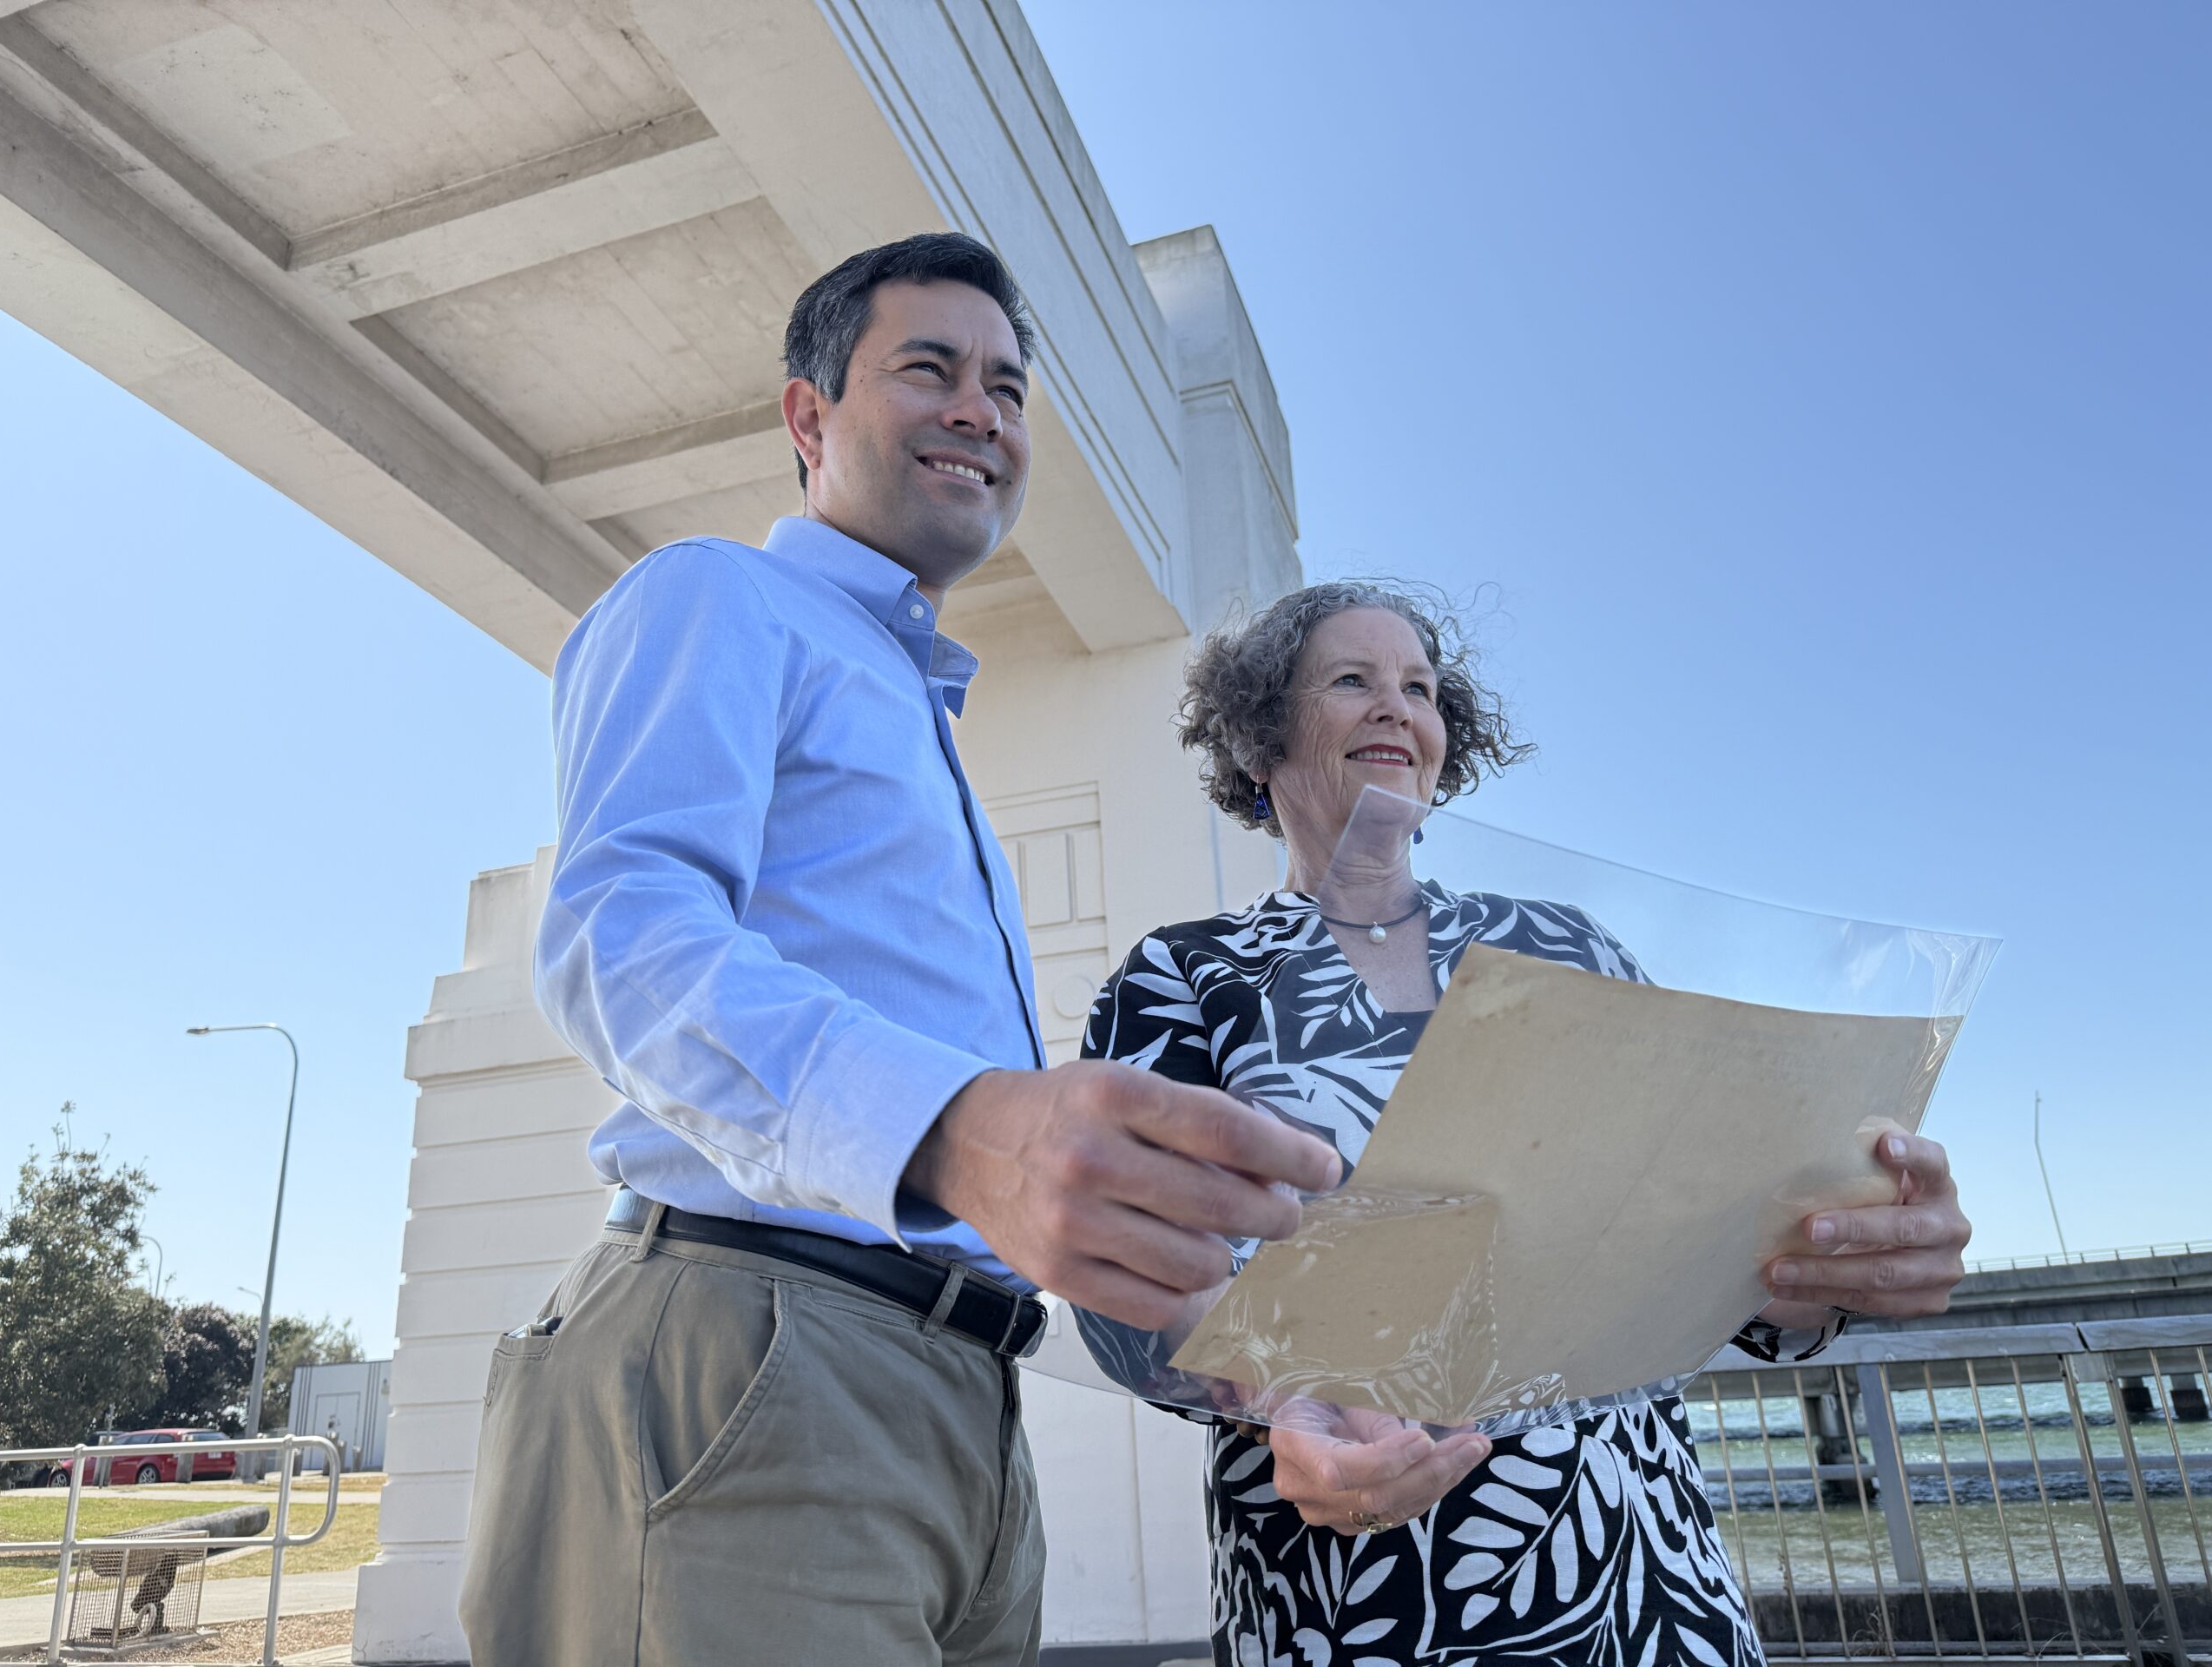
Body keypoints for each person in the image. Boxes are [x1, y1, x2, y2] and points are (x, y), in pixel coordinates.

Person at [456, 234, 1341, 1667]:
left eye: (1006, 385)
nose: (981, 409)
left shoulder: (917, 713)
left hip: (963, 1397)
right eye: (928, 368)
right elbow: (621, 940)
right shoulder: (716, 598)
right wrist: (954, 1131)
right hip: (755, 1352)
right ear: (808, 418)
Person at [1080, 581, 1973, 1666]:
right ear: (1260, 733)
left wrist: (1835, 1265)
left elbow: (1696, 1255)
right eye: (1350, 681)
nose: (1393, 709)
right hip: (1351, 1583)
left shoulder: (1565, 943)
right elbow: (1121, 1280)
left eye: (1418, 687)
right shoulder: (1186, 974)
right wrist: (1274, 1402)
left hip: (1637, 1574)